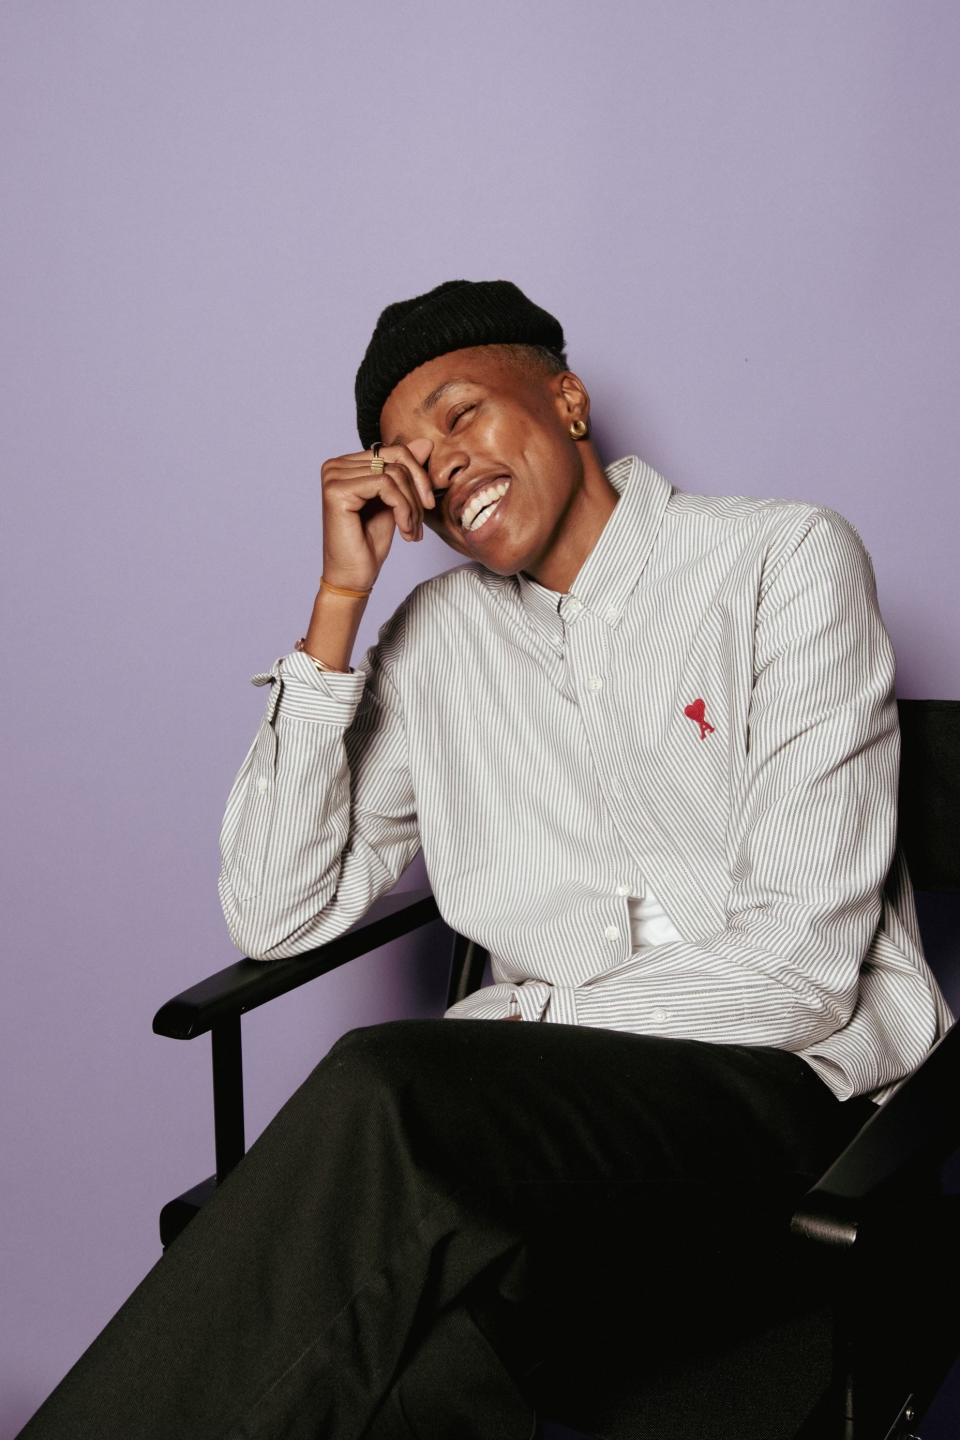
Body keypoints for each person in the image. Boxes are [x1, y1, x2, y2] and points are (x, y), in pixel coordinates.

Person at [17, 279, 955, 1440]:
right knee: (405, 1357)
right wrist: (337, 607)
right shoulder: (433, 646)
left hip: (797, 1106)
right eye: (407, 456)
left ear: (565, 398)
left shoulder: (780, 561)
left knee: (385, 1098)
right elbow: (274, 910)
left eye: (460, 415)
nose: (441, 463)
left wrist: (525, 1023)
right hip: (552, 1153)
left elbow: (802, 973)